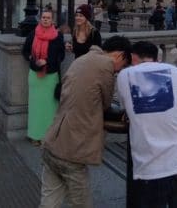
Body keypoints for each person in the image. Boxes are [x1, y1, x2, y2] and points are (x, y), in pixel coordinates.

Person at [38, 36, 132, 208]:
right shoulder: (106, 66)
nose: (120, 70)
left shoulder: (83, 59)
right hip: (73, 150)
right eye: (124, 65)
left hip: (53, 141)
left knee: (49, 201)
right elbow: (105, 104)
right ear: (120, 55)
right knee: (81, 203)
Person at [115, 41, 177, 207]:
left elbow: (125, 108)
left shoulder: (125, 75)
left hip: (150, 171)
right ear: (156, 57)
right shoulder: (175, 71)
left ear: (133, 57)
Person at [22, 10, 67, 144]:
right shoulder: (33, 34)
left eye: (48, 18)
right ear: (40, 19)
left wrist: (47, 61)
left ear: (52, 20)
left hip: (51, 75)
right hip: (35, 75)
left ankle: (48, 136)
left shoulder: (58, 36)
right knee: (35, 107)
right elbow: (25, 51)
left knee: (50, 108)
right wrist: (32, 58)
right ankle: (35, 135)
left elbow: (61, 55)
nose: (45, 20)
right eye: (43, 17)